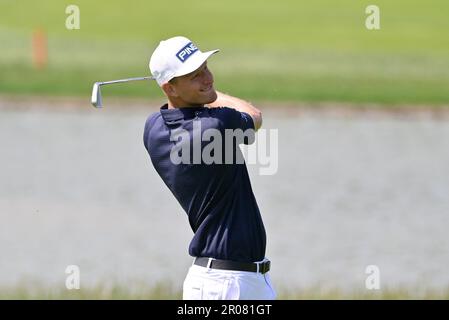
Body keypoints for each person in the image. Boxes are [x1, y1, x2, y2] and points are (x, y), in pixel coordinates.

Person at [143, 36, 276, 300]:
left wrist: (192, 91)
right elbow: (254, 116)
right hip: (227, 285)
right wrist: (211, 95)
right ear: (170, 88)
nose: (208, 78)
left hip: (227, 280)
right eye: (195, 75)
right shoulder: (215, 125)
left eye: (206, 68)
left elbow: (173, 113)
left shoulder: (153, 128)